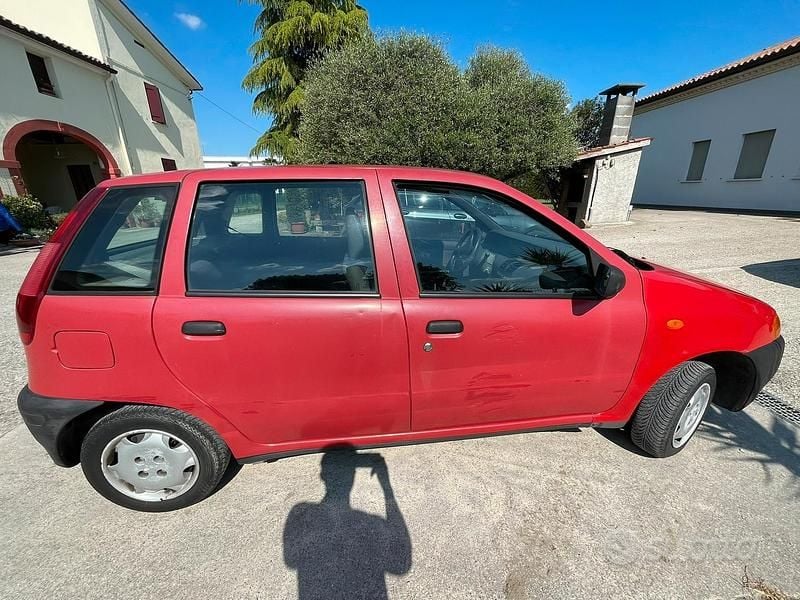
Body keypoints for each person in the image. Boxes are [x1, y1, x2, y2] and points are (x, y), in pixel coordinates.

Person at [283, 448, 412, 600]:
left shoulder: (299, 513)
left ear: (323, 476)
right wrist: (387, 489)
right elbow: (400, 566)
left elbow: (291, 560)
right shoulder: (370, 523)